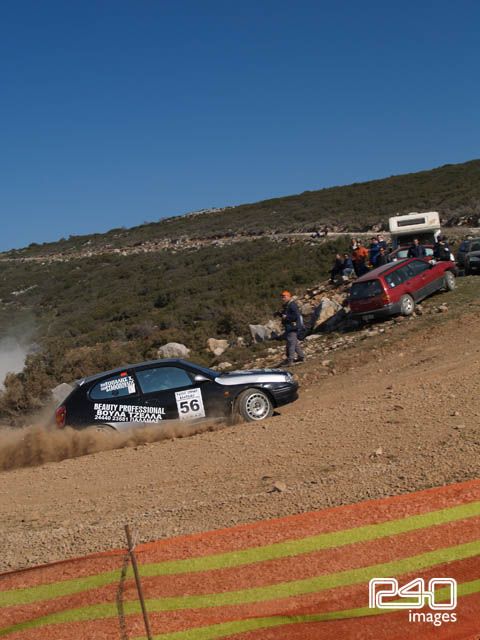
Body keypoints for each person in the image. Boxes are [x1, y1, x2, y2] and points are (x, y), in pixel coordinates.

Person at [280, 291, 304, 364]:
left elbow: (295, 316)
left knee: (291, 343)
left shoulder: (292, 304)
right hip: (290, 327)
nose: (283, 298)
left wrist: (286, 317)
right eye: (282, 297)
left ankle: (290, 360)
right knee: (294, 342)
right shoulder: (288, 305)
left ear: (289, 296)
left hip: (292, 327)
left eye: (284, 297)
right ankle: (301, 356)